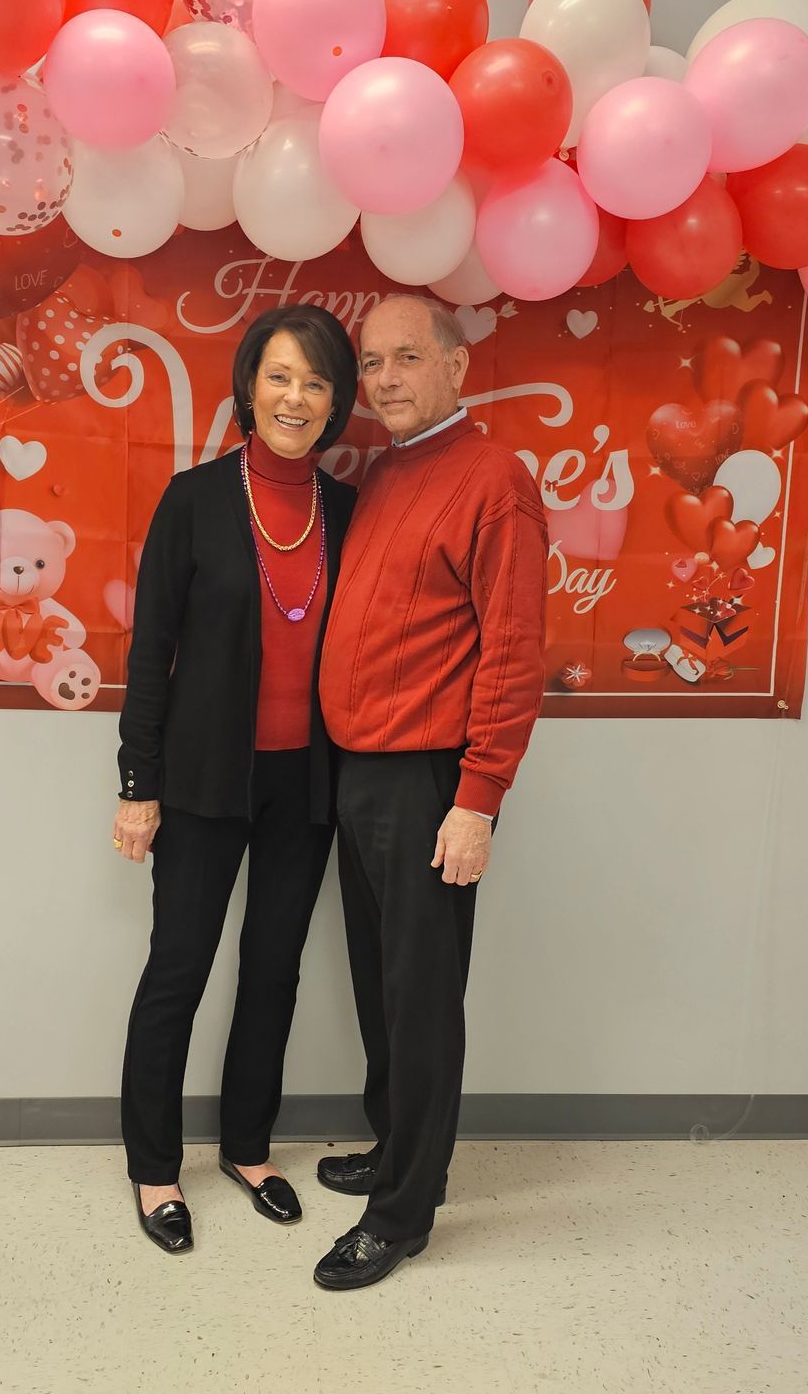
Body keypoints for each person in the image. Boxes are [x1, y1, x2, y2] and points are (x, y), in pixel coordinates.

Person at [308, 295, 549, 1290]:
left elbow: (516, 652)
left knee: (421, 997)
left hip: (429, 783)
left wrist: (478, 798)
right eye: (372, 363)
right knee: (380, 983)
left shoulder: (496, 480)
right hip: (359, 773)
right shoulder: (390, 473)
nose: (387, 379)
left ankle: (403, 1210)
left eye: (409, 356)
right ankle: (397, 1145)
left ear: (455, 363)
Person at [114, 305, 359, 1255]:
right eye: (281, 377)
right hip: (201, 781)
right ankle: (154, 1169)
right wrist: (138, 784)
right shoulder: (194, 499)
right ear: (250, 384)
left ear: (335, 403)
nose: (296, 398)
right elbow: (150, 656)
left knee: (274, 970)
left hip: (308, 785)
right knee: (178, 971)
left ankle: (250, 1148)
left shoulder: (346, 510)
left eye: (317, 383)